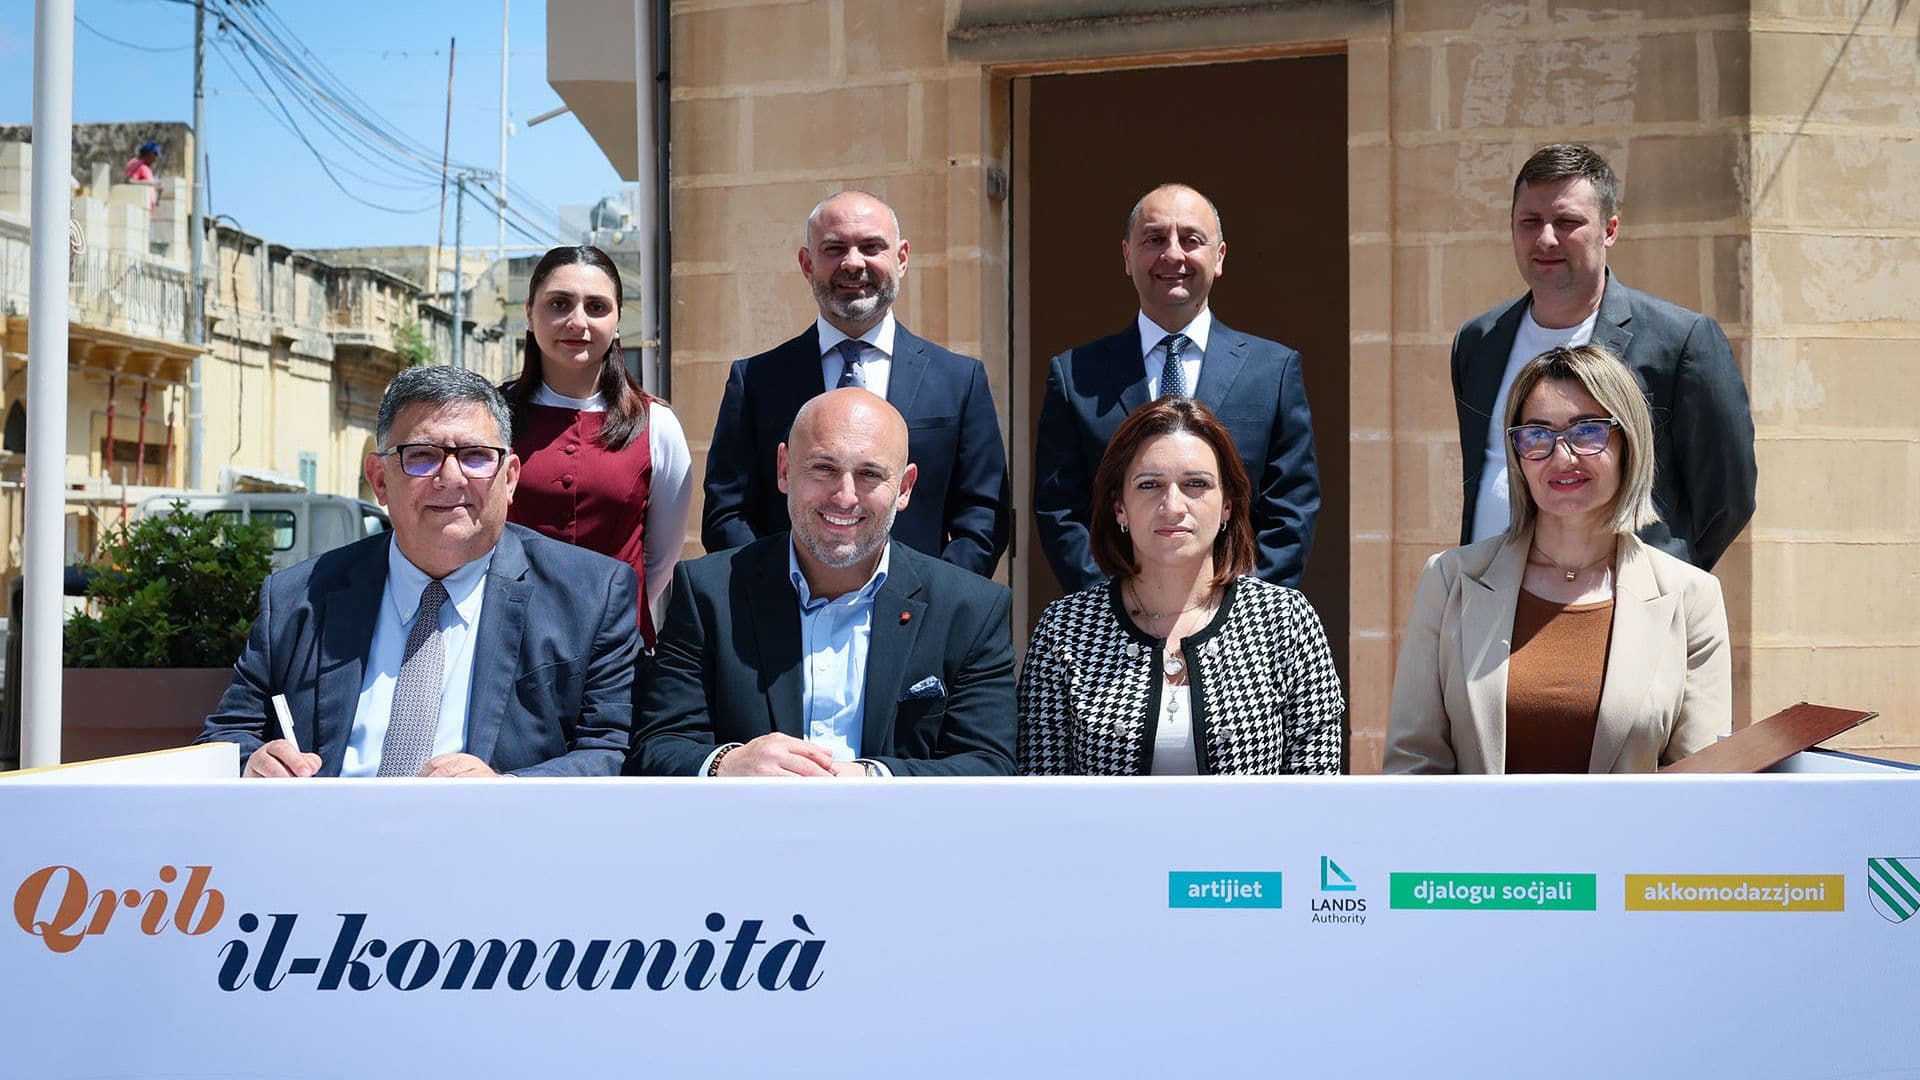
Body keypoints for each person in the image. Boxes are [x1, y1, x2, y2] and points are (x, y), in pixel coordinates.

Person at [198, 365, 641, 778]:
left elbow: (611, 751)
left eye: (476, 456)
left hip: (498, 850)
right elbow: (226, 737)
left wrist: (507, 791)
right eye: (422, 455)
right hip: (330, 846)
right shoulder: (299, 597)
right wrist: (251, 763)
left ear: (509, 479)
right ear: (380, 480)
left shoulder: (590, 595)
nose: (451, 477)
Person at [630, 387, 1016, 778]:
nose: (845, 497)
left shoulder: (970, 611)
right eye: (823, 468)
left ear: (904, 488)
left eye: (870, 474)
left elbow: (989, 766)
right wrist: (727, 764)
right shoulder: (708, 594)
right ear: (783, 469)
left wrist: (871, 780)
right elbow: (656, 747)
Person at [1385, 344, 1732, 774]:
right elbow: (1414, 766)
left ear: (1629, 443)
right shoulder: (1450, 581)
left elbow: (1700, 788)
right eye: (1537, 435)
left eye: (1587, 431)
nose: (1562, 456)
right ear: (1517, 455)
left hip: (1627, 842)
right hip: (1478, 842)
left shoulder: (1691, 598)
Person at [1453, 143, 1755, 570]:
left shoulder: (1680, 341)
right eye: (1529, 222)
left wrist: (1657, 583)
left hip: (1618, 605)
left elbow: (1728, 498)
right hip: (1488, 596)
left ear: (1610, 230)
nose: (1545, 238)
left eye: (1567, 222)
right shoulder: (1479, 340)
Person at [1018, 397, 1344, 776]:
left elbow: (1314, 792)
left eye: (1195, 484)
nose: (1172, 506)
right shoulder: (1064, 630)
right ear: (1119, 506)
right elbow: (1042, 793)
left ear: (1228, 505)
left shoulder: (1286, 621)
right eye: (1149, 485)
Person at [701, 190, 1010, 576]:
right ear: (806, 263)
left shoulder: (959, 382)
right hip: (783, 619)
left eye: (871, 247)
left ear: (901, 259)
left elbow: (983, 515)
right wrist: (772, 594)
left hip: (917, 620)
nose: (852, 263)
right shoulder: (756, 381)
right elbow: (727, 510)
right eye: (834, 248)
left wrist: (936, 607)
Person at [1034, 182, 1320, 593]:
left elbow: (1293, 508)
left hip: (1240, 626)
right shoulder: (1074, 375)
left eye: (1191, 239)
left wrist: (1235, 609)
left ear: (1219, 257)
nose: (1172, 254)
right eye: (1154, 239)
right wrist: (1117, 605)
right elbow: (1060, 509)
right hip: (1116, 627)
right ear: (1127, 257)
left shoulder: (1272, 371)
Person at [503, 245, 691, 647]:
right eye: (559, 304)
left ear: (619, 320)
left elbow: (659, 557)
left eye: (597, 307)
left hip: (619, 648)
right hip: (507, 641)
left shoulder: (657, 424)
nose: (577, 322)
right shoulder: (489, 419)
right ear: (529, 313)